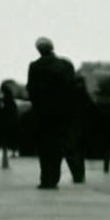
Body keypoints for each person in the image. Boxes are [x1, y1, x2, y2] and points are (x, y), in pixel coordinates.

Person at [26, 37, 77, 189]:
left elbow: (32, 90)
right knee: (58, 147)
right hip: (62, 113)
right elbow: (71, 88)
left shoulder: (35, 66)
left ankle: (45, 178)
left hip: (43, 114)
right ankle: (54, 177)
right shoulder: (66, 65)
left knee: (44, 147)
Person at [65, 76, 93, 183]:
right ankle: (79, 174)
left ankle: (77, 174)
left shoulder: (69, 96)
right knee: (79, 153)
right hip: (82, 127)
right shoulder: (86, 97)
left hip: (72, 126)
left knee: (71, 151)